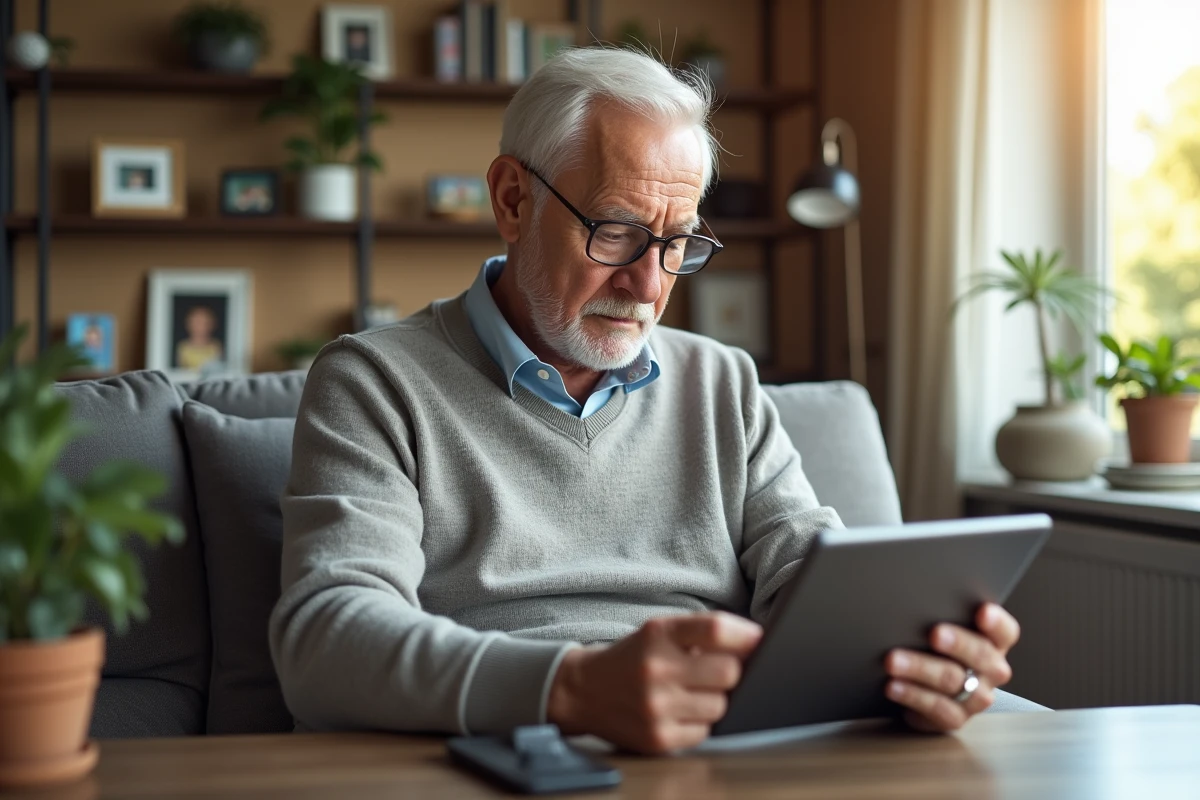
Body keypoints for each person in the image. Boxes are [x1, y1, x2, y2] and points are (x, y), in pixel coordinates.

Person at [270, 47, 1030, 755]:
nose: (650, 285)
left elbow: (811, 571)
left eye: (677, 244)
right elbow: (325, 638)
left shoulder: (722, 385)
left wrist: (917, 658)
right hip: (504, 752)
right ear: (512, 200)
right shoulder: (375, 381)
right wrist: (569, 689)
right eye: (617, 233)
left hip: (715, 749)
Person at [175, 305, 224, 372]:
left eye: (206, 323)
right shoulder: (183, 346)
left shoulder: (216, 346)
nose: (202, 328)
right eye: (198, 323)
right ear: (189, 324)